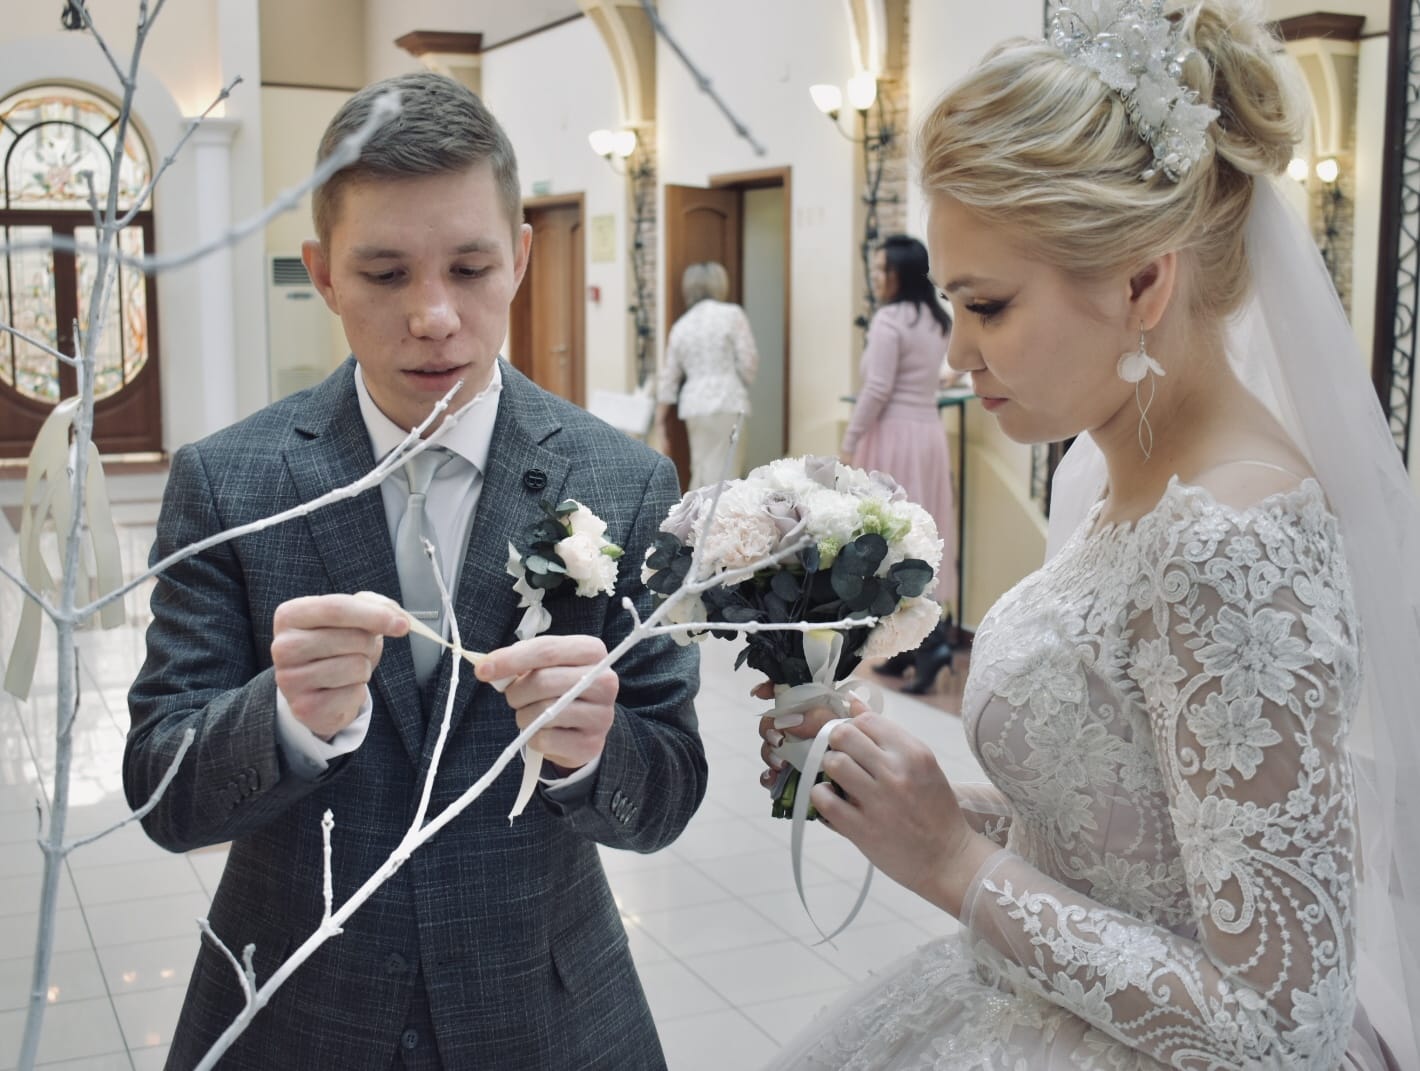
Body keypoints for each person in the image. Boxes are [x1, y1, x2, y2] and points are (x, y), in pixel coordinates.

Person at [761, 0, 1420, 1066]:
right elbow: (1129, 840)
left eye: (988, 307)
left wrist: (954, 864)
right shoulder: (1111, 473)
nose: (956, 355)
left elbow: (1279, 1029)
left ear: (1143, 282)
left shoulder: (1233, 541)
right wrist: (910, 802)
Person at [124, 72, 706, 1071]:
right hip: (293, 1007)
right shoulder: (230, 482)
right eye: (386, 274)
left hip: (544, 1007)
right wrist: (282, 720)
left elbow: (670, 787)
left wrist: (594, 751)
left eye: (470, 268)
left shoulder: (625, 480)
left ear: (520, 259)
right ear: (323, 274)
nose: (434, 315)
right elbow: (160, 790)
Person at [842, 235, 958, 694]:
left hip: (893, 435)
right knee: (918, 538)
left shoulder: (890, 320)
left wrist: (850, 440)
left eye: (881, 269)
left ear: (901, 274)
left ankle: (931, 648)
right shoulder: (937, 319)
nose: (875, 277)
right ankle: (914, 646)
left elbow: (877, 389)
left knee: (895, 543)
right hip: (927, 435)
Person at [655, 261, 759, 488]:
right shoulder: (732, 315)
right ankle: (720, 511)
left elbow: (668, 377)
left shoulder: (681, 325)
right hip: (728, 400)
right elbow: (749, 361)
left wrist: (660, 420)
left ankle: (699, 511)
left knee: (701, 470)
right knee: (727, 471)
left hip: (694, 406)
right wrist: (739, 381)